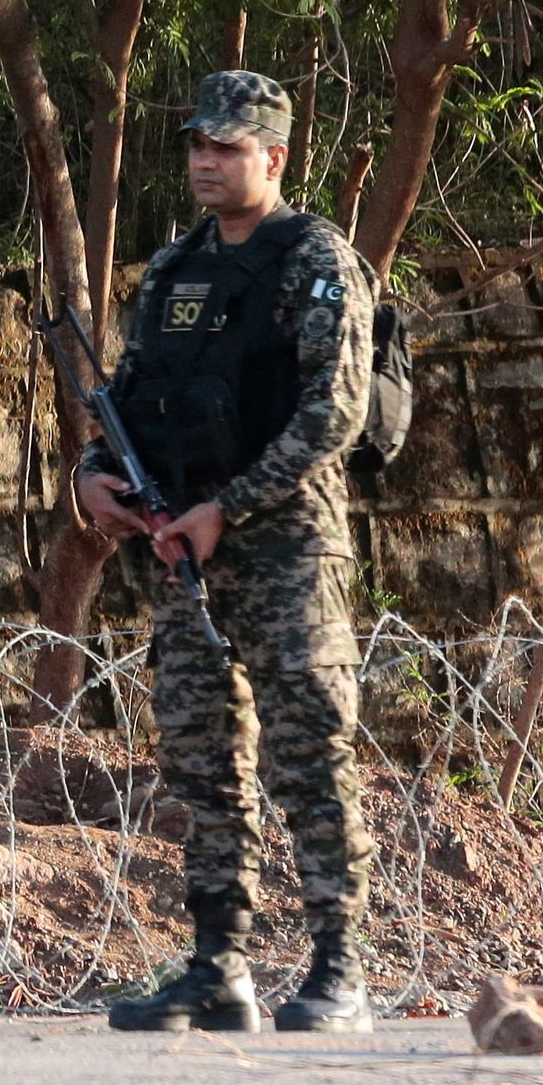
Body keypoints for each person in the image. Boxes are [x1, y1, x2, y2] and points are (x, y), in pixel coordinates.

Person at [80, 71, 380, 1034]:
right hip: (183, 553)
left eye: (228, 147)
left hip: (286, 546)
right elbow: (127, 397)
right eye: (198, 146)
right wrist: (95, 478)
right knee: (204, 764)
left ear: (275, 157)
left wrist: (230, 505)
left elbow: (335, 413)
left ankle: (339, 965)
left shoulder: (315, 258)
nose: (207, 162)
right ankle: (219, 963)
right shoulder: (174, 270)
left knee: (307, 755)